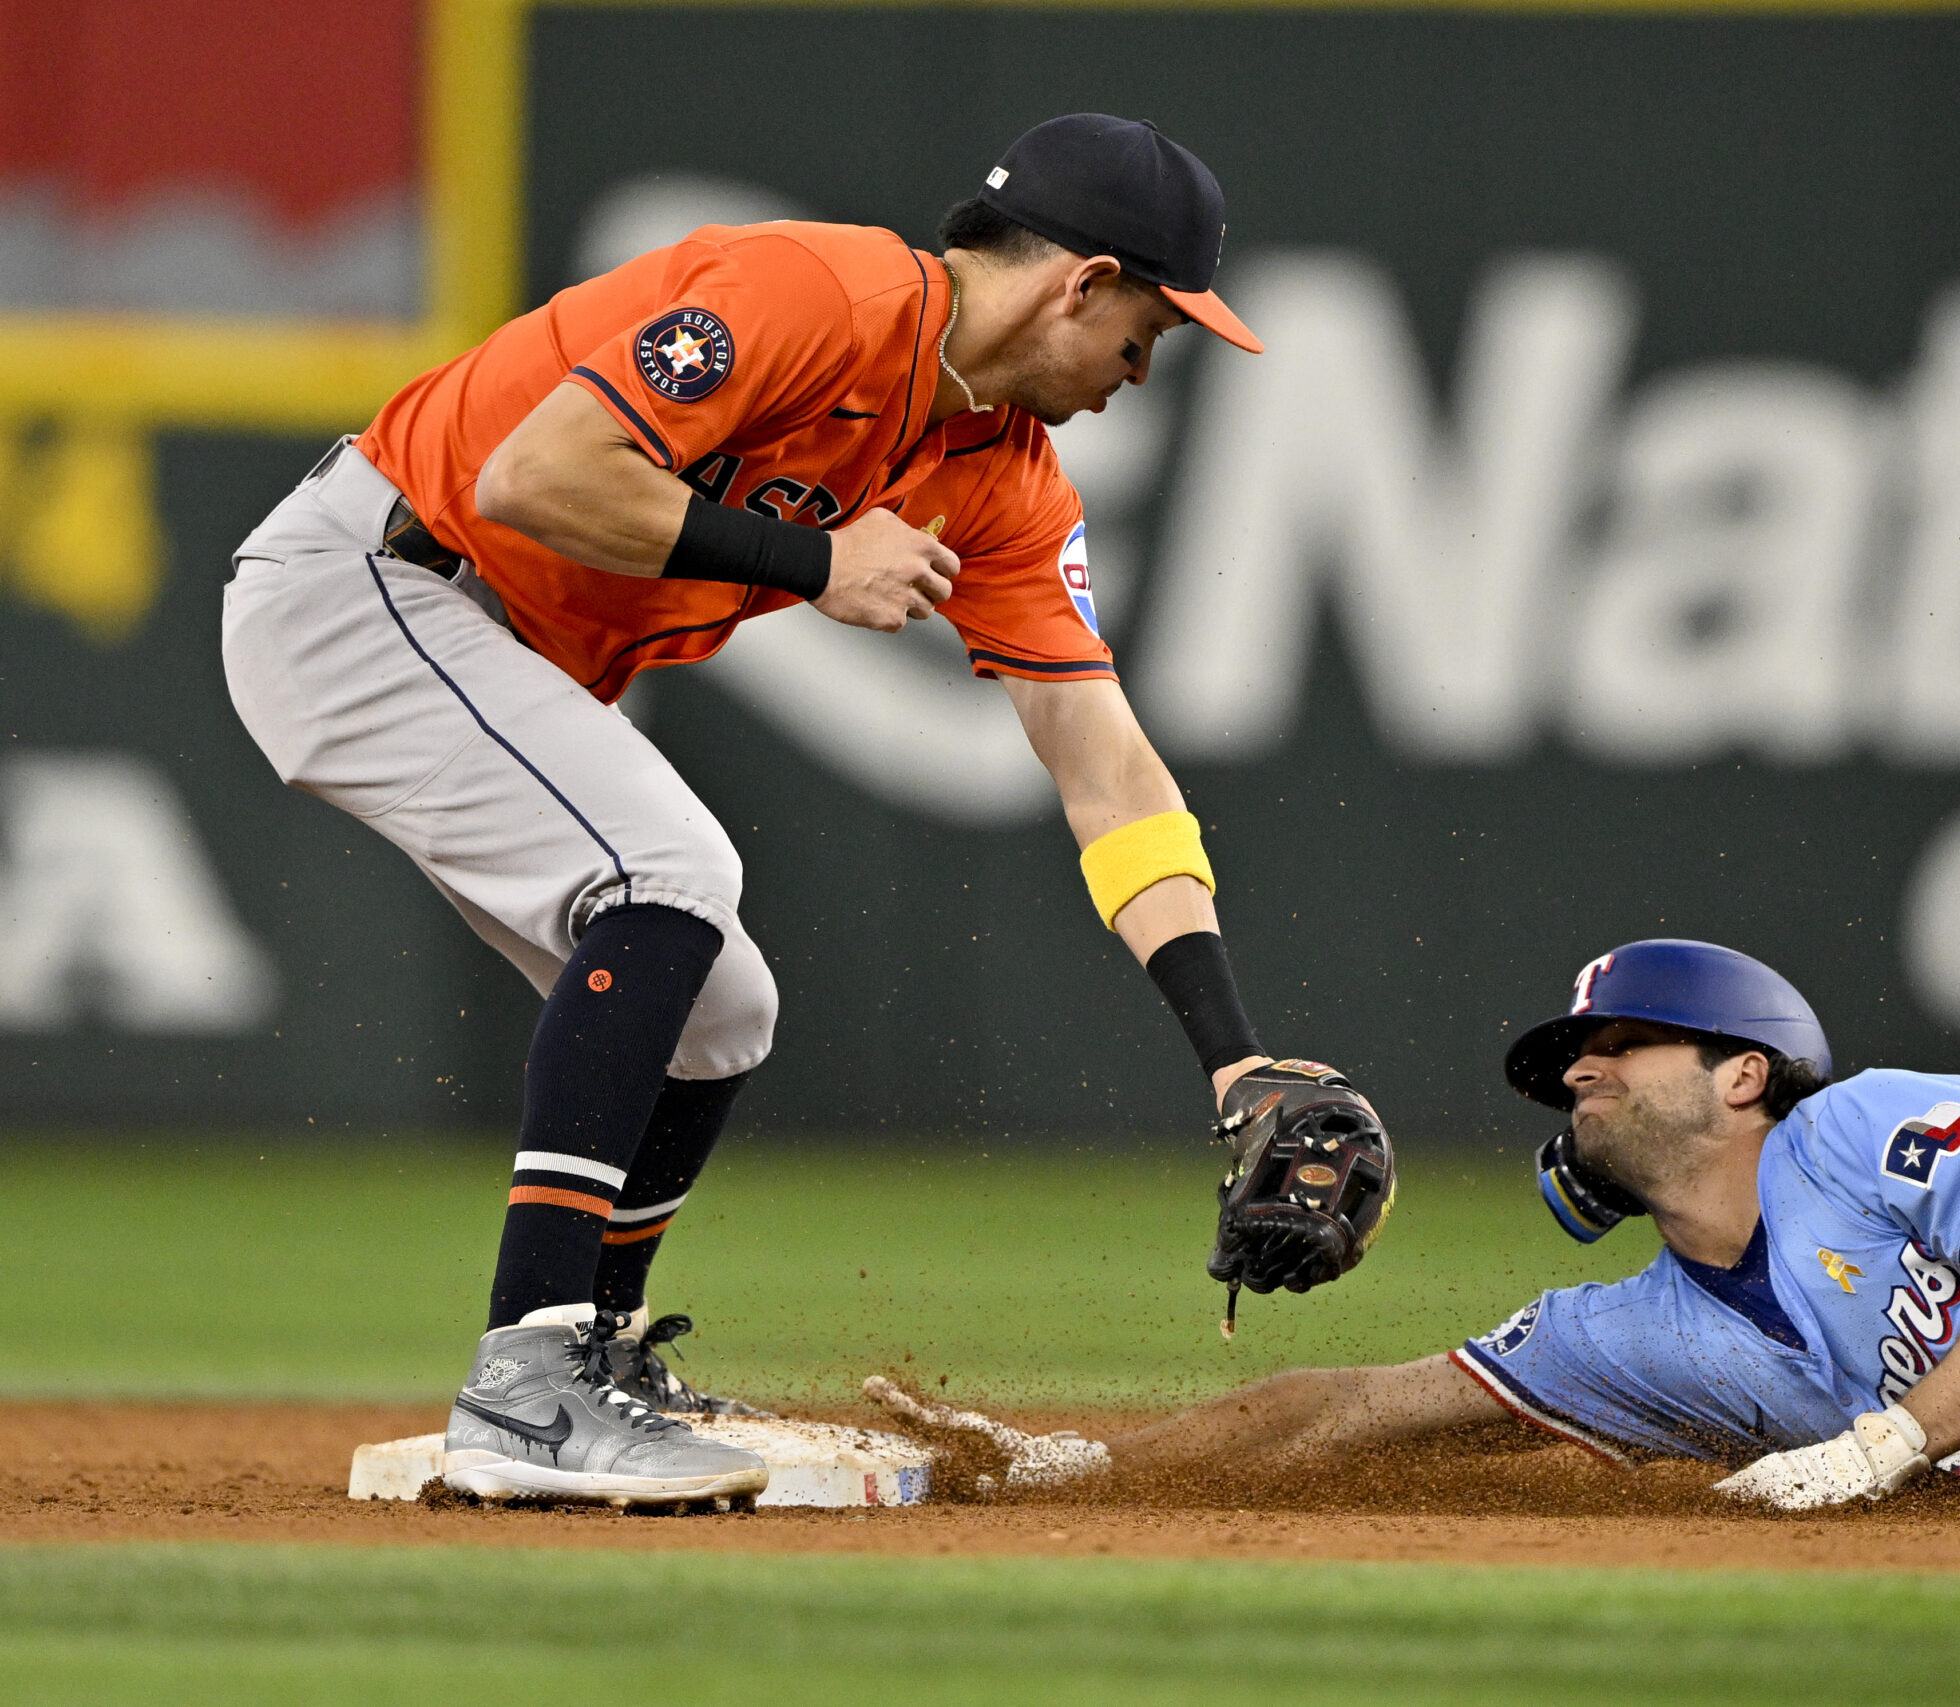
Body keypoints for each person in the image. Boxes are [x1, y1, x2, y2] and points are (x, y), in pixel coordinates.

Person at [221, 114, 1372, 1507]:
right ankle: (525, 1385)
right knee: (668, 870)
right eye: (1147, 328)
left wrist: (1233, 1057)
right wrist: (812, 557)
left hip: (489, 645)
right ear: (1082, 280)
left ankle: (595, 1354)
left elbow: (1103, 761)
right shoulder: (816, 297)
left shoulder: (1004, 475)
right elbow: (534, 477)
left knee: (721, 1013)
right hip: (377, 581)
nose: (1144, 368)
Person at [869, 937, 1960, 1506]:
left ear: (1742, 1074)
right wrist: (1070, 1465)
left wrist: (1889, 1442)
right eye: (1568, 1064)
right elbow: (1362, 1413)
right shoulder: (1638, 1332)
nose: (1582, 1073)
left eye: (1620, 1045)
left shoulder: (1859, 1124)